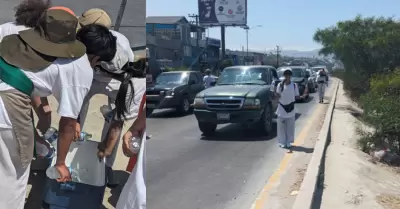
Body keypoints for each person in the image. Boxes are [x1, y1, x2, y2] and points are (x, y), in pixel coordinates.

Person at [0, 7, 116, 208]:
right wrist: (61, 163)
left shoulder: (27, 43)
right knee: (14, 174)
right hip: (8, 104)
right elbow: (67, 124)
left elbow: (27, 81)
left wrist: (37, 124)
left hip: (8, 94)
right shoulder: (80, 68)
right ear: (96, 58)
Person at [77, 8, 146, 187]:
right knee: (77, 108)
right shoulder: (89, 43)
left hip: (118, 82)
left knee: (113, 121)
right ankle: (73, 145)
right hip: (94, 76)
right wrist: (74, 122)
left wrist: (105, 149)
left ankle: (105, 168)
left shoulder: (123, 63)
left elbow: (117, 123)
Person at [0, 0, 53, 151]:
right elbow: (33, 78)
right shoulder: (34, 36)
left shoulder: (4, 28)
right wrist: (44, 113)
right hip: (15, 86)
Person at [275, 68, 305, 152]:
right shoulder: (280, 85)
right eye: (286, 74)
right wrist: (274, 95)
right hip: (281, 108)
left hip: (291, 108)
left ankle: (289, 142)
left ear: (291, 76)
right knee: (281, 127)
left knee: (290, 127)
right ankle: (282, 142)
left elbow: (296, 96)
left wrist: (302, 96)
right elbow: (277, 95)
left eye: (289, 75)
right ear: (284, 75)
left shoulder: (294, 85)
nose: (287, 76)